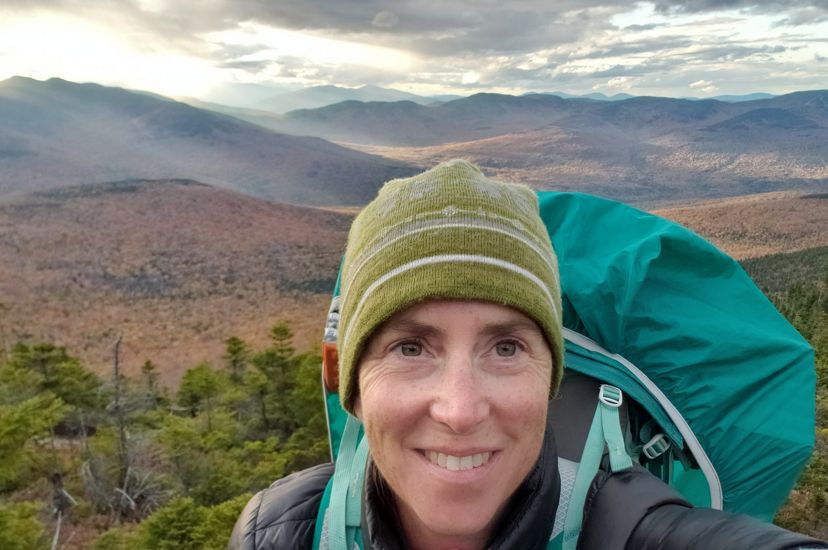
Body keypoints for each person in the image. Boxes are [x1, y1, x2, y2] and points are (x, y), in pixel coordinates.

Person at [229, 160, 826, 550]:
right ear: (348, 382)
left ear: (550, 379)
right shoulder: (279, 532)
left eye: (507, 346)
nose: (460, 411)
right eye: (410, 347)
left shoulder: (633, 530)